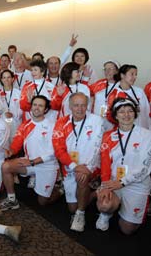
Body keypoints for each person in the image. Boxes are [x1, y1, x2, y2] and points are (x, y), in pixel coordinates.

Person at [96, 98, 151, 234]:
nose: (126, 115)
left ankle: (125, 210)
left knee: (127, 230)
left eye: (130, 111)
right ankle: (107, 214)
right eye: (121, 112)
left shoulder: (147, 136)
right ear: (115, 115)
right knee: (104, 205)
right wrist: (104, 185)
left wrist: (123, 182)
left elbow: (145, 168)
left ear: (135, 113)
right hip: (114, 182)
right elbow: (105, 164)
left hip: (137, 184)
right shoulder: (108, 136)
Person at [52, 92, 104, 232]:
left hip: (91, 166)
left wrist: (88, 168)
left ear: (87, 106)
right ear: (70, 106)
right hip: (70, 167)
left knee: (82, 179)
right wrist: (75, 166)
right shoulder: (61, 122)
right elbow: (59, 149)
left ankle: (81, 214)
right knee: (71, 208)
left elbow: (98, 147)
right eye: (76, 105)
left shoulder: (96, 120)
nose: (80, 109)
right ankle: (94, 194)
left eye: (83, 105)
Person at [0, 96, 61, 211]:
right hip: (29, 163)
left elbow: (55, 152)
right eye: (35, 105)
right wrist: (10, 151)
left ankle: (60, 189)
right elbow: (17, 142)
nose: (37, 108)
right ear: (31, 107)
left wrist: (33, 161)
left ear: (46, 110)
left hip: (47, 165)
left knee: (42, 202)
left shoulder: (53, 125)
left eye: (40, 105)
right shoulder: (25, 125)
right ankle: (12, 200)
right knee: (6, 166)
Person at [107, 65, 150, 129]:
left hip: (141, 130)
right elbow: (109, 115)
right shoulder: (113, 93)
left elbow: (147, 112)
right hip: (122, 131)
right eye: (132, 74)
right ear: (122, 75)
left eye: (136, 74)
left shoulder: (139, 91)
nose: (135, 77)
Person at [90, 60, 119, 130]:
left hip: (114, 122)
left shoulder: (122, 85)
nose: (107, 71)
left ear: (117, 71)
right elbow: (86, 92)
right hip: (97, 120)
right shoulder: (99, 83)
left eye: (110, 69)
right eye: (105, 69)